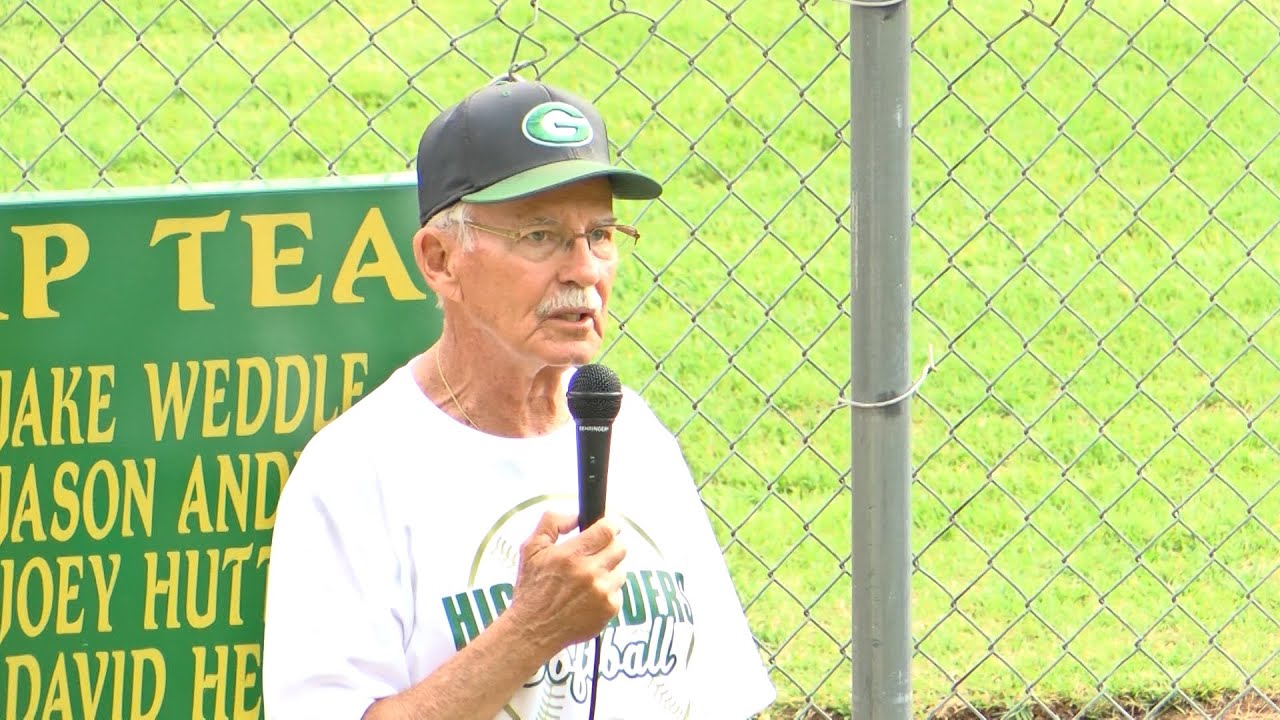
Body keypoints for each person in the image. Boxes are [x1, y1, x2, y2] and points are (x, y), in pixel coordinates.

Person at [260, 76, 777, 720]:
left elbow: (722, 699)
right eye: (540, 236)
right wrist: (530, 630)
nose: (585, 270)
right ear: (441, 259)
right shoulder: (356, 472)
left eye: (602, 235)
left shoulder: (634, 435)